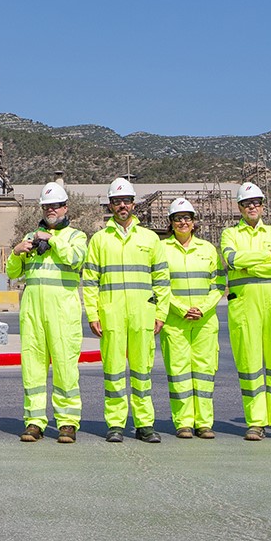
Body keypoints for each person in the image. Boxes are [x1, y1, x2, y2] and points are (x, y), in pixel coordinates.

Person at [83, 177, 170, 443]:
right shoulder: (99, 240)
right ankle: (116, 424)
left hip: (143, 314)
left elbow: (162, 280)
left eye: (126, 201)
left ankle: (145, 424)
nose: (122, 205)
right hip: (111, 315)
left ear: (134, 204)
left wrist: (161, 313)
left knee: (143, 370)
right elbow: (90, 281)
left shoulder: (150, 238)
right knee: (114, 370)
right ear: (110, 205)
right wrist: (93, 314)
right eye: (117, 201)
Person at [220, 182, 271, 441]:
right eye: (246, 203)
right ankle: (256, 422)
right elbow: (233, 260)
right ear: (239, 207)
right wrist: (268, 255)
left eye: (256, 202)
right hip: (244, 308)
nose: (251, 207)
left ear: (262, 205)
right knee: (250, 364)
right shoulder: (230, 234)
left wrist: (251, 263)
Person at [7, 182, 87, 443]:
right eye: (47, 206)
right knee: (33, 367)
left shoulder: (76, 236)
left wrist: (52, 241)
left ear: (65, 207)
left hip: (63, 312)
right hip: (33, 311)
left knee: (65, 366)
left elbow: (75, 259)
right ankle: (34, 421)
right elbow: (12, 273)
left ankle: (67, 422)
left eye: (56, 206)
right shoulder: (30, 237)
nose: (51, 210)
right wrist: (16, 253)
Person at [157, 197, 222, 439]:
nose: (183, 222)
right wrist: (180, 308)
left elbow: (219, 284)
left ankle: (204, 423)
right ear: (170, 223)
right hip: (175, 322)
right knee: (179, 372)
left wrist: (203, 308)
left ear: (194, 222)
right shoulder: (162, 250)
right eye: (177, 218)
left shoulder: (207, 250)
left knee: (204, 372)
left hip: (205, 321)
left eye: (187, 218)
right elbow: (160, 286)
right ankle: (183, 422)